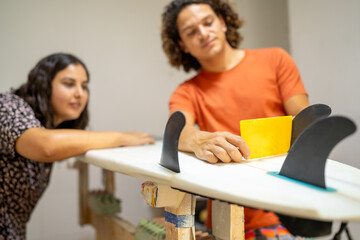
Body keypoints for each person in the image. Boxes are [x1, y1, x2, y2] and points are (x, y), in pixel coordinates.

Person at [161, 0, 309, 239]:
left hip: (285, 210)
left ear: (222, 22)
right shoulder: (186, 92)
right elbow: (178, 132)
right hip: (226, 216)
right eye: (191, 32)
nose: (203, 33)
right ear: (183, 45)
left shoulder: (276, 60)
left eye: (208, 22)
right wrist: (199, 141)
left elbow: (305, 121)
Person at [0, 53, 154, 239]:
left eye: (84, 86)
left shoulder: (47, 126)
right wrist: (121, 137)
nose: (79, 93)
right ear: (43, 85)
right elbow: (45, 146)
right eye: (69, 84)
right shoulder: (6, 106)